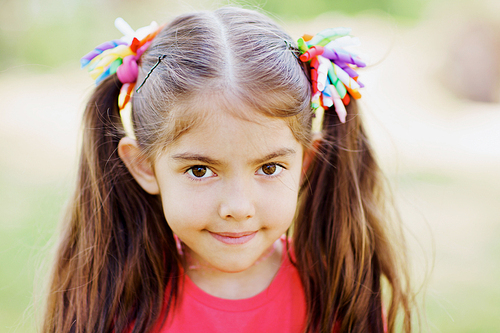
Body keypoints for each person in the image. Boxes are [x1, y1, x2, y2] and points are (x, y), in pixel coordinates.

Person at [42, 7, 414, 333]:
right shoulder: (112, 297)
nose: (238, 207)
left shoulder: (339, 292)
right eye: (201, 171)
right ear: (145, 166)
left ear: (306, 164)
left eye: (269, 167)